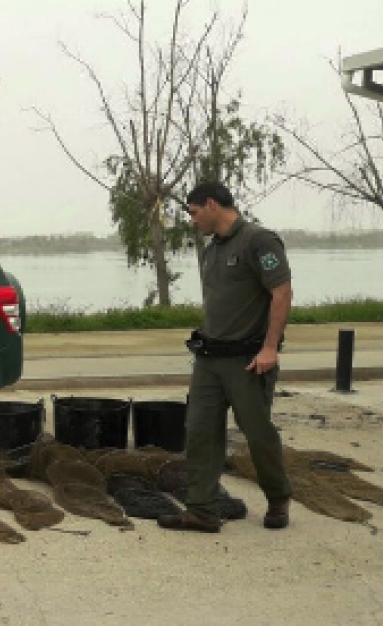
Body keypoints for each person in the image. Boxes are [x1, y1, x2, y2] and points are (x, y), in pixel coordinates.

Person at [158, 182, 294, 533]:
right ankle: (201, 510)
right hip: (209, 358)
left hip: (248, 359)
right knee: (200, 431)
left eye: (193, 212)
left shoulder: (259, 241)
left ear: (212, 204)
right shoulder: (211, 249)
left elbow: (281, 292)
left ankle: (278, 498)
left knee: (257, 431)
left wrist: (270, 348)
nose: (192, 220)